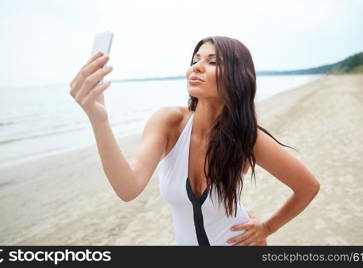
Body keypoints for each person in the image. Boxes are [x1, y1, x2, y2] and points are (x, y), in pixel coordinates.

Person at [69, 36, 320, 246]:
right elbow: (128, 188)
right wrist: (99, 121)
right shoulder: (169, 122)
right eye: (195, 60)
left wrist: (267, 227)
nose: (197, 66)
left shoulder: (247, 138)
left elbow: (308, 187)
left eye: (212, 61)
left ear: (238, 77)